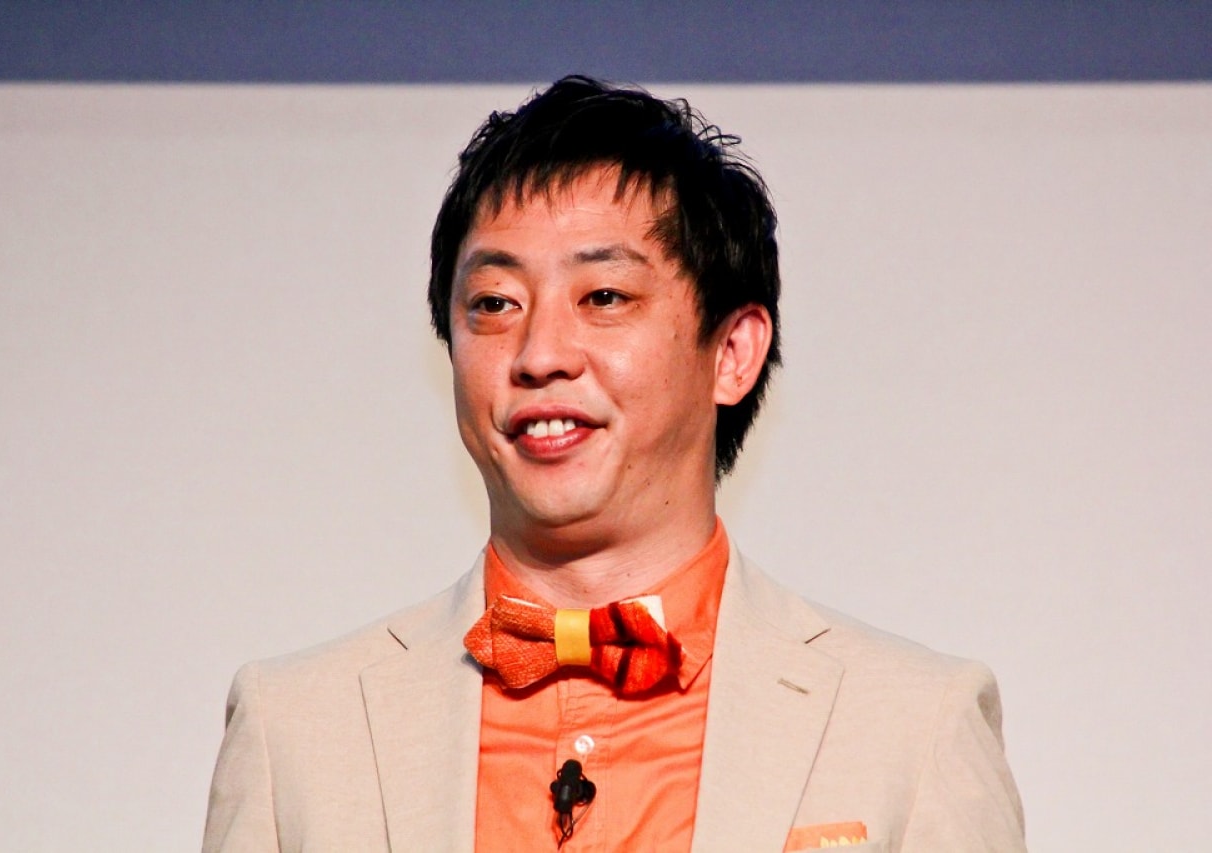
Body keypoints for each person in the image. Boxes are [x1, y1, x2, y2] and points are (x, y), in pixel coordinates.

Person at [202, 76, 1025, 852]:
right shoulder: (295, 730)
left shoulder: (915, 726)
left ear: (731, 353)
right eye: (494, 304)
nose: (540, 354)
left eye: (603, 298)